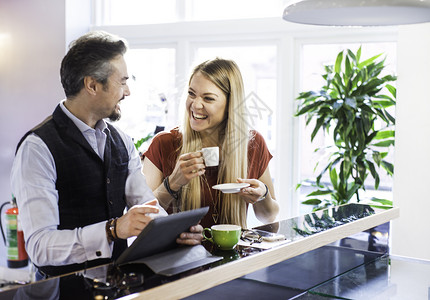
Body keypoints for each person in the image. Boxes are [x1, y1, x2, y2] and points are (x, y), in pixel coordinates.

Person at [10, 31, 202, 278]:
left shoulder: (121, 139)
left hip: (116, 285)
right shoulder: (37, 149)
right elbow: (39, 247)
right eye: (122, 81)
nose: (128, 91)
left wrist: (178, 232)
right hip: (59, 291)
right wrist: (112, 230)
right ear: (92, 85)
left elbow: (146, 205)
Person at [143, 58, 279, 229]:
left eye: (208, 98)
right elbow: (144, 218)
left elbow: (270, 218)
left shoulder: (252, 143)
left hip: (233, 254)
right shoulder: (164, 143)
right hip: (179, 254)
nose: (195, 105)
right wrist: (172, 183)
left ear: (230, 104)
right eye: (191, 94)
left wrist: (263, 195)